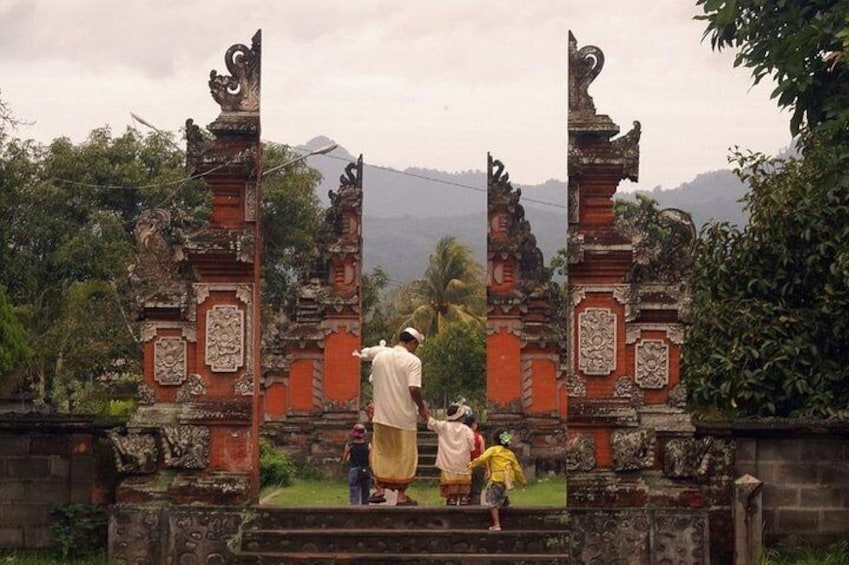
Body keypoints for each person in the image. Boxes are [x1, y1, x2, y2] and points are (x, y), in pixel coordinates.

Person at [368, 327, 428, 505]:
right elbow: (414, 388)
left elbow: (374, 381)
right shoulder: (413, 361)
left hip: (381, 416)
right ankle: (401, 496)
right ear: (413, 343)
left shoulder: (379, 358)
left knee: (382, 452)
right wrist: (422, 406)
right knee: (405, 456)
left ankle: (380, 490)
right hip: (403, 418)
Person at [468, 429, 526, 531]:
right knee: (502, 495)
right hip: (507, 481)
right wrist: (522, 481)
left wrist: (471, 464)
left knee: (492, 502)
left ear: (494, 440)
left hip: (496, 479)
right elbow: (517, 469)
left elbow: (482, 459)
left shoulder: (493, 450)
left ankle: (497, 524)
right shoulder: (510, 453)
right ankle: (507, 507)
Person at [426, 403, 475, 505]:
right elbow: (471, 444)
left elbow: (431, 422)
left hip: (447, 461)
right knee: (464, 481)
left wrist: (425, 412)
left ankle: (451, 499)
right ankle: (464, 498)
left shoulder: (443, 426)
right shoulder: (466, 429)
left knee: (449, 482)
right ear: (461, 417)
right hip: (463, 461)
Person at [341, 423, 372, 505]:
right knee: (366, 493)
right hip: (365, 470)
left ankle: (355, 511)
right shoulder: (368, 446)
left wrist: (348, 460)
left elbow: (344, 459)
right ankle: (366, 510)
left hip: (354, 470)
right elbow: (370, 461)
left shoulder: (349, 445)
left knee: (354, 492)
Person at [463, 411, 486, 505]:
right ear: (473, 424)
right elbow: (483, 454)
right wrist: (486, 467)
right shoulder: (479, 437)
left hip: (464, 465)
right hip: (477, 466)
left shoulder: (462, 436)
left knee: (465, 491)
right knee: (476, 491)